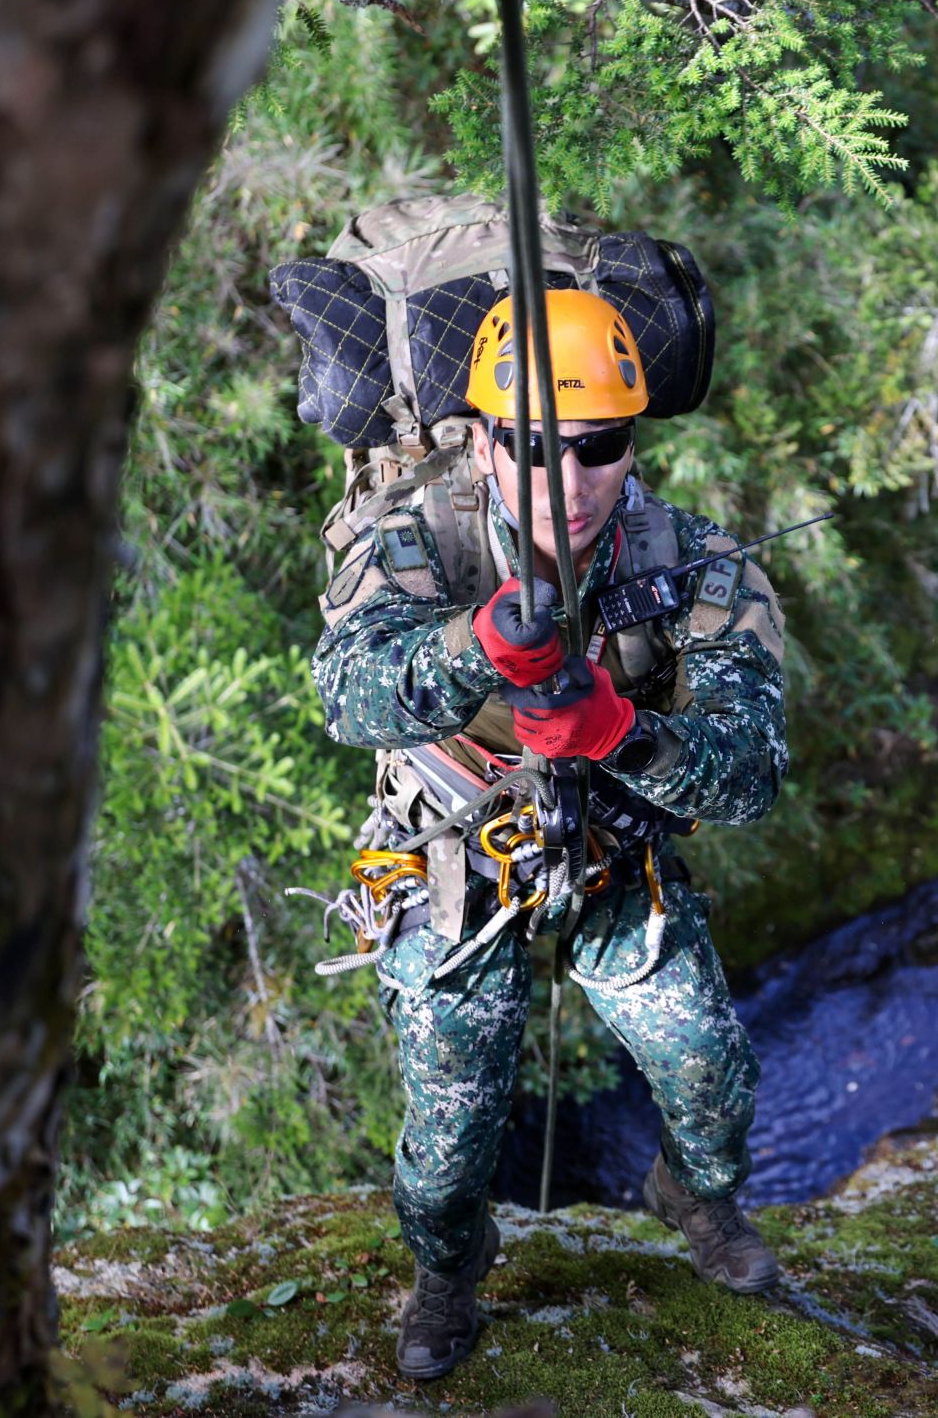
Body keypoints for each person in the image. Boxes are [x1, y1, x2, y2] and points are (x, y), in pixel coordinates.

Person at [311, 289, 788, 1380]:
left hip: (617, 858)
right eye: (530, 446)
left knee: (712, 1073)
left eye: (599, 446)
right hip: (458, 867)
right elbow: (350, 695)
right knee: (447, 1141)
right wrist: (474, 643)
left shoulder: (700, 566)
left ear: (633, 443)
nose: (566, 484)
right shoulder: (413, 544)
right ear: (480, 441)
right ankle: (447, 1269)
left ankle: (695, 1195)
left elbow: (754, 773)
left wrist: (619, 730)